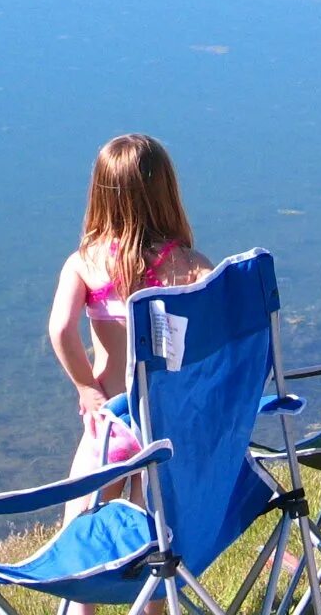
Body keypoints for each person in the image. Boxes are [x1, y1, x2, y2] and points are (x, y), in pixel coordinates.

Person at [47, 134, 212, 538]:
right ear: (166, 193)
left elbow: (61, 329)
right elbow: (212, 333)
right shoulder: (191, 266)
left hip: (112, 421)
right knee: (151, 540)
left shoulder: (85, 263)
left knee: (80, 532)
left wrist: (86, 388)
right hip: (165, 423)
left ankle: (79, 599)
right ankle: (152, 598)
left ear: (100, 195)